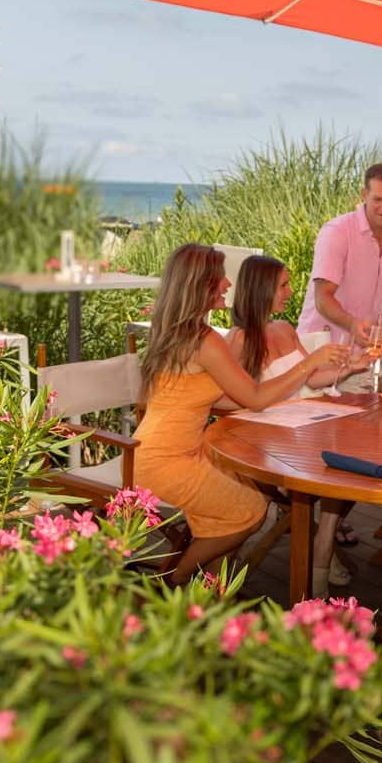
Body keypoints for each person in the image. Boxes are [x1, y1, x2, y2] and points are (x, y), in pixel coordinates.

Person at [137, 244, 347, 584]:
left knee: (246, 500)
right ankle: (171, 580)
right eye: (220, 278)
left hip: (155, 451)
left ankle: (209, 592)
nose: (227, 285)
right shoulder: (205, 340)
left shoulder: (175, 331)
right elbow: (254, 396)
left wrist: (272, 399)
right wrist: (310, 362)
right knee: (249, 511)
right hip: (169, 460)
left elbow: (222, 400)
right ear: (201, 285)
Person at [224, 255, 366, 594]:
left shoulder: (285, 329)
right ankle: (321, 554)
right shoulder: (238, 341)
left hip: (306, 426)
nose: (290, 292)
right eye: (284, 285)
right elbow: (238, 401)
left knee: (357, 452)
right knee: (338, 463)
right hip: (268, 440)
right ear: (261, 289)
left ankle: (323, 542)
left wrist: (353, 367)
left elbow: (314, 378)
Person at [297, 162, 382, 348]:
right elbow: (323, 297)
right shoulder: (337, 232)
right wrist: (352, 324)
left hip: (363, 349)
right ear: (364, 194)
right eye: (378, 199)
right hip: (320, 346)